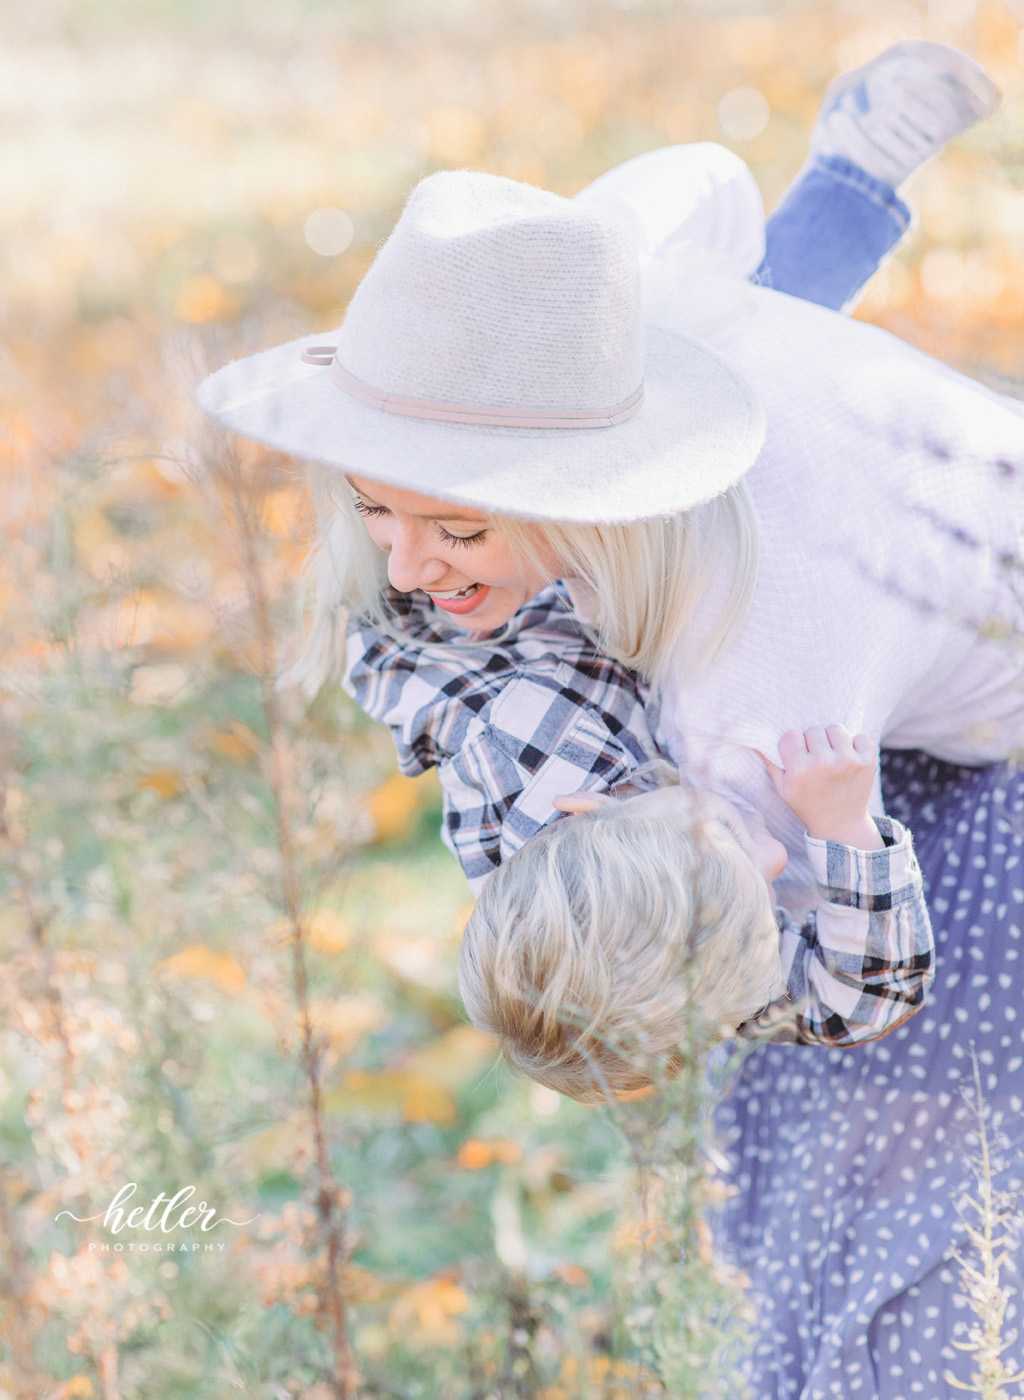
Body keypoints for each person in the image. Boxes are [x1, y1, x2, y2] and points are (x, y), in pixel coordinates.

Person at [195, 40, 1023, 1395]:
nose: (405, 569)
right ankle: (857, 177)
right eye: (377, 508)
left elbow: (849, 987)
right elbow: (694, 190)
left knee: (921, 1148)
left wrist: (792, 848)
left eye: (457, 524)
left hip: (980, 707)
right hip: (834, 477)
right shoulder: (604, 316)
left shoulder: (762, 709)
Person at [457, 723, 934, 1100]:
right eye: (765, 921)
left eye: (729, 829)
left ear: (599, 807)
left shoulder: (517, 746)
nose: (778, 859)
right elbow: (863, 999)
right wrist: (842, 824)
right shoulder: (694, 987)